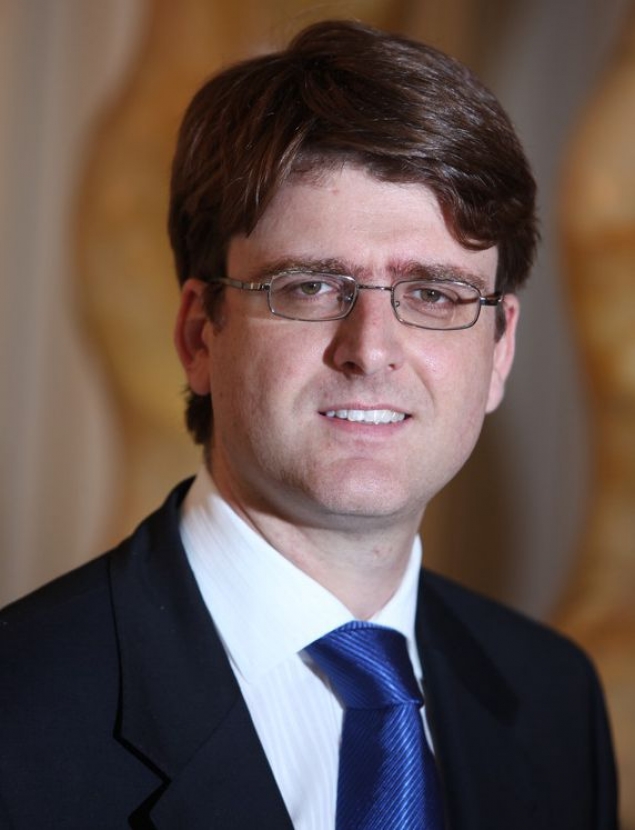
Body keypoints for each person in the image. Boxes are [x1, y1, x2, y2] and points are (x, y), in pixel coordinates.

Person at [0, 19, 618, 830]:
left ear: (498, 350)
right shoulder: (18, 712)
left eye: (434, 294)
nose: (371, 350)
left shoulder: (553, 700)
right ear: (199, 335)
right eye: (311, 286)